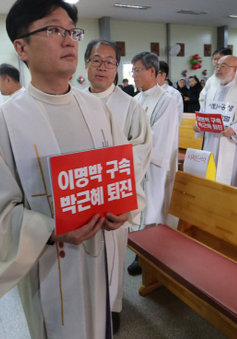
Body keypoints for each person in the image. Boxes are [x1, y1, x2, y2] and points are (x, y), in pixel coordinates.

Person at [0, 0, 138, 339]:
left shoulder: (97, 109)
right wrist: (48, 230)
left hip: (100, 254)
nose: (70, 40)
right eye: (53, 29)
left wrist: (125, 207)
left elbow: (122, 172)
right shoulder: (3, 124)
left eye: (72, 31)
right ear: (22, 48)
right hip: (50, 266)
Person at [83, 38, 152, 333]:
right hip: (81, 194)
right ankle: (86, 304)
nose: (102, 67)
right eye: (96, 60)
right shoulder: (71, 100)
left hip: (114, 194)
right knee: (83, 252)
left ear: (117, 68)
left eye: (110, 62)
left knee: (112, 253)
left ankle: (113, 306)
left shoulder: (130, 106)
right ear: (85, 63)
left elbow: (142, 147)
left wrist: (106, 168)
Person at [128, 51, 179, 275]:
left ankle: (149, 257)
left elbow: (159, 139)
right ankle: (141, 249)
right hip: (138, 164)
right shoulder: (136, 99)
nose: (134, 75)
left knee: (153, 209)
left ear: (152, 71)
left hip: (154, 167)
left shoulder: (166, 100)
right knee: (141, 209)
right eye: (133, 71)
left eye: (137, 70)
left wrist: (132, 153)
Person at [193, 56, 237, 188]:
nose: (218, 68)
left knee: (231, 182)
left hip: (233, 145)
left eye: (223, 66)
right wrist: (198, 124)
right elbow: (203, 113)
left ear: (235, 69)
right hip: (211, 142)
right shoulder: (210, 91)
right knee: (210, 181)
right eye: (217, 65)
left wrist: (235, 129)